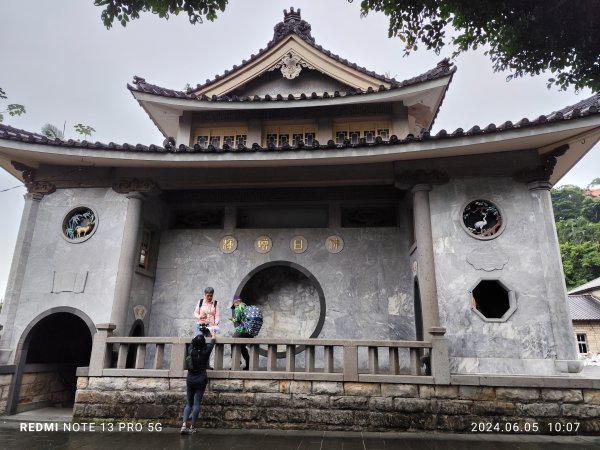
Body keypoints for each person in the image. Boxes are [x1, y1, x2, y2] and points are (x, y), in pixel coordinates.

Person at [181, 330, 216, 435]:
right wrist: (213, 334)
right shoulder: (206, 352)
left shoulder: (190, 350)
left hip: (190, 379)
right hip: (201, 380)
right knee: (196, 404)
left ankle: (183, 425)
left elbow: (192, 343)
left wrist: (196, 338)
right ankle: (192, 426)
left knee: (189, 404)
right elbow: (213, 342)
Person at [230, 296, 252, 370]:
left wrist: (233, 319)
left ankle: (236, 362)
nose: (234, 305)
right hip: (249, 331)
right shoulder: (246, 306)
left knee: (233, 342)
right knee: (242, 347)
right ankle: (248, 365)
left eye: (234, 304)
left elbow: (238, 319)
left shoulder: (238, 307)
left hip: (242, 330)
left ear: (235, 302)